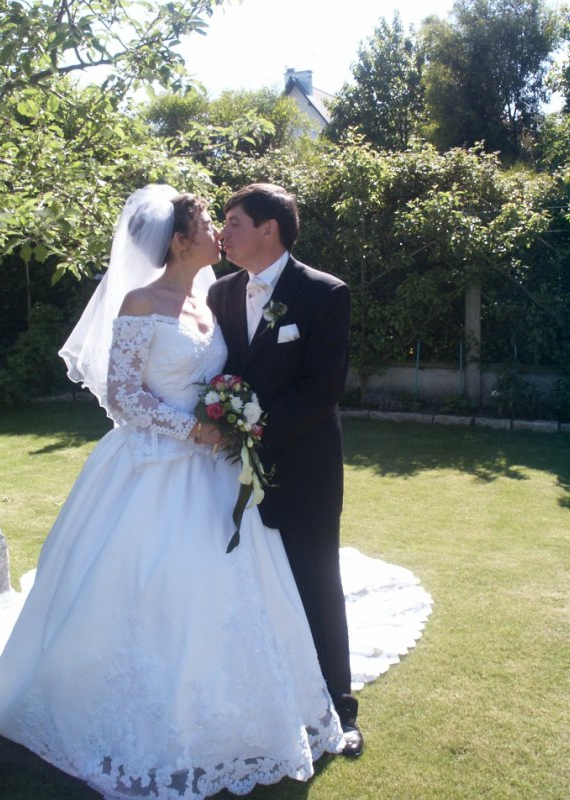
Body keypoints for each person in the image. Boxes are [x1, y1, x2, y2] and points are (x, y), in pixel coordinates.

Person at [0, 185, 344, 799]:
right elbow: (123, 396)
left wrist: (223, 419)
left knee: (233, 587)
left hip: (215, 469)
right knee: (148, 583)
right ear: (178, 240)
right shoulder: (141, 302)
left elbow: (228, 374)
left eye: (229, 222)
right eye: (208, 223)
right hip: (150, 469)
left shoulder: (211, 299)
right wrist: (191, 427)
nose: (219, 233)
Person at [207, 183, 364, 757]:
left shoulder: (325, 293)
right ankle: (269, 696)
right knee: (250, 585)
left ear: (268, 229)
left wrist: (248, 429)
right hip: (227, 475)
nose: (223, 232)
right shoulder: (220, 294)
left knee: (318, 584)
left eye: (234, 221)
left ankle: (339, 708)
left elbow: (321, 391)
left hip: (305, 468)